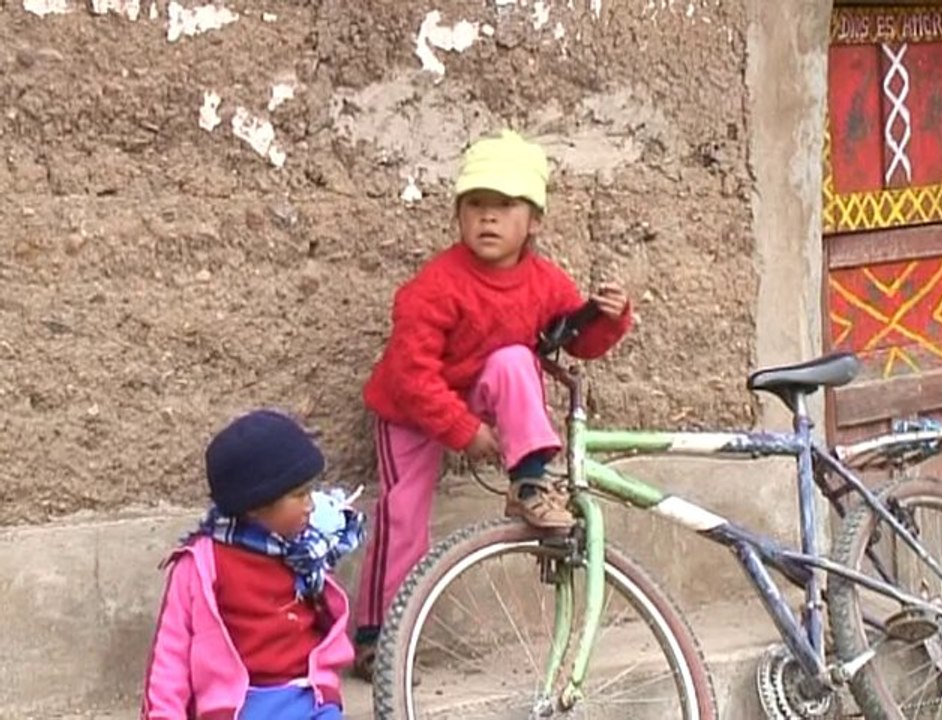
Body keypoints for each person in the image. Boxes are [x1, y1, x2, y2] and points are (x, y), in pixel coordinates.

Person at [352, 129, 632, 679]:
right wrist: (463, 431)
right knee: (403, 515)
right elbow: (411, 376)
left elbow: (570, 341)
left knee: (514, 359)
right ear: (458, 216)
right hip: (410, 410)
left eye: (505, 207)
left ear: (535, 221)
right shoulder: (436, 285)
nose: (488, 219)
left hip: (477, 389)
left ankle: (529, 480)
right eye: (475, 206)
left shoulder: (543, 280)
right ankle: (379, 635)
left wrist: (607, 317)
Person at [140, 409, 364, 720]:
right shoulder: (201, 564)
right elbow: (169, 660)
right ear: (256, 505)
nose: (310, 504)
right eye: (299, 495)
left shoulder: (304, 551)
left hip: (310, 699)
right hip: (240, 706)